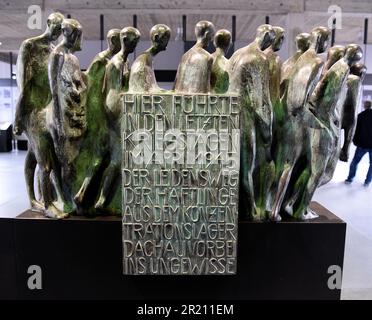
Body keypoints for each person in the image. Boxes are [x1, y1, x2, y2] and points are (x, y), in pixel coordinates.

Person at [345, 100, 372, 186]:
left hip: (362, 144)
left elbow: (356, 131)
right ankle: (367, 181)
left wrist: (355, 141)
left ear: (365, 106)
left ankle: (350, 179)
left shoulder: (360, 116)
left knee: (355, 161)